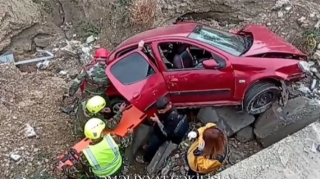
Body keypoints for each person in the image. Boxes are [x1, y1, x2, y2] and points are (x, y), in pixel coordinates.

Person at [62, 118, 133, 178]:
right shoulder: (113, 139)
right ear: (101, 133)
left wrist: (64, 167)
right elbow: (126, 142)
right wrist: (129, 133)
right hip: (118, 168)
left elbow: (75, 171)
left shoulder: (85, 154)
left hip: (102, 176)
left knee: (85, 168)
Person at [139, 97, 189, 164]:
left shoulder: (172, 118)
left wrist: (158, 121)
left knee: (151, 147)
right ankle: (148, 146)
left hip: (162, 135)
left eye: (161, 111)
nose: (159, 112)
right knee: (151, 137)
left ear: (167, 106)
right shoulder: (168, 106)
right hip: (159, 128)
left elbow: (166, 133)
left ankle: (146, 160)